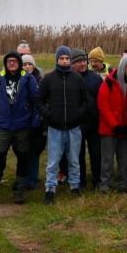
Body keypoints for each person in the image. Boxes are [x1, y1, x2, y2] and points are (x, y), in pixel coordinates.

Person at [0, 52, 40, 205]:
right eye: (9, 61)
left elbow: (37, 102)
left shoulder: (28, 78)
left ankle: (19, 190)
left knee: (23, 159)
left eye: (15, 61)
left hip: (22, 126)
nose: (12, 64)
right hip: (3, 126)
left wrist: (35, 123)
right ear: (5, 63)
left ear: (19, 63)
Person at [39, 46, 89, 205]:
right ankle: (50, 189)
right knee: (53, 161)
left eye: (67, 58)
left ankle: (75, 186)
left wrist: (79, 114)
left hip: (74, 128)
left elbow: (86, 101)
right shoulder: (48, 79)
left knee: (74, 159)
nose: (65, 61)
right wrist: (49, 114)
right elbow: (39, 100)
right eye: (62, 58)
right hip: (55, 128)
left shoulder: (77, 78)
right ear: (57, 60)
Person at [97, 54, 127, 193]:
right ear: (122, 66)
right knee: (107, 158)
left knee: (123, 157)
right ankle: (105, 184)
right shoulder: (108, 82)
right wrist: (115, 125)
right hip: (109, 128)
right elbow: (103, 106)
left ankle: (123, 184)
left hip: (124, 128)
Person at [71, 48, 103, 191]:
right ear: (72, 64)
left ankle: (97, 181)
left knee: (96, 154)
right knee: (78, 155)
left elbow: (101, 102)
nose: (82, 64)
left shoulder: (96, 78)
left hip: (94, 123)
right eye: (78, 62)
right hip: (77, 123)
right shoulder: (70, 79)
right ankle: (81, 181)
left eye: (84, 61)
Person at [21, 54, 45, 190]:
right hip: (22, 122)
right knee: (23, 151)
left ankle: (33, 179)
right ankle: (23, 178)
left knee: (35, 152)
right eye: (24, 64)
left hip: (37, 122)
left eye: (30, 64)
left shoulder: (41, 81)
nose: (27, 67)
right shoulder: (19, 81)